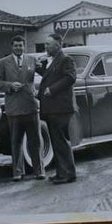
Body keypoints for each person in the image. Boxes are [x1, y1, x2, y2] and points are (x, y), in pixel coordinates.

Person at [0, 35, 45, 181]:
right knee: (16, 142)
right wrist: (9, 86)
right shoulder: (3, 63)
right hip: (13, 108)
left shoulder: (32, 60)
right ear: (12, 46)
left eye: (21, 45)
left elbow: (45, 73)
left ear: (24, 46)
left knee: (35, 141)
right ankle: (17, 172)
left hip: (30, 106)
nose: (18, 48)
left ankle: (39, 170)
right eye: (16, 45)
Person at [37, 33, 77, 185]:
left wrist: (51, 90)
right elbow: (51, 76)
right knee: (56, 142)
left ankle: (68, 174)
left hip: (61, 108)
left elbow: (70, 78)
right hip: (53, 108)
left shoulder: (66, 59)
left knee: (61, 142)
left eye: (48, 44)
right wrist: (38, 67)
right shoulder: (53, 61)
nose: (45, 47)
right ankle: (62, 172)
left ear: (58, 45)